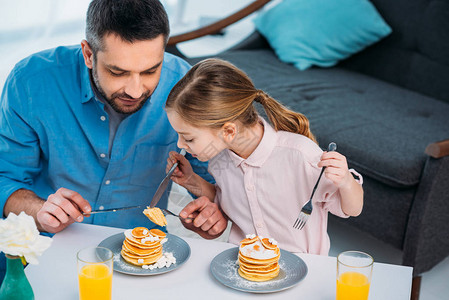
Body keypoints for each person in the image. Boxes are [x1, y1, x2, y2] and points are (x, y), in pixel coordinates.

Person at [0, 0, 214, 235]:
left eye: (151, 71)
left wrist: (210, 212)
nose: (135, 91)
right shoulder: (31, 82)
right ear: (88, 54)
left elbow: (212, 180)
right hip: (50, 242)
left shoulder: (184, 86)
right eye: (118, 72)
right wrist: (39, 211)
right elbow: (6, 179)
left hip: (140, 250)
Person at [165, 58, 364, 255]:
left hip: (305, 269)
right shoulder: (219, 162)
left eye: (188, 138)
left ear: (228, 131)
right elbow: (226, 199)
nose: (180, 144)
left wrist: (346, 181)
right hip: (245, 265)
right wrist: (190, 180)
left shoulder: (300, 155)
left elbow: (352, 209)